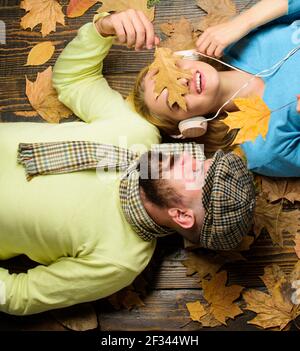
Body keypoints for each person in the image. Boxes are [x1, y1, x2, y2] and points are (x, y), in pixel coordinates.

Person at [0, 7, 256, 315]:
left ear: (183, 217)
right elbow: (74, 80)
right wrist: (104, 27)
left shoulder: (119, 261)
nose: (192, 157)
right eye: (204, 160)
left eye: (198, 171)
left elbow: (19, 295)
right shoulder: (137, 132)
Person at [132, 0, 300, 176]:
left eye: (173, 72)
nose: (183, 83)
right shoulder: (263, 147)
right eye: (174, 101)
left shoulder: (239, 40)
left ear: (182, 57)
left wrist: (246, 21)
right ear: (190, 125)